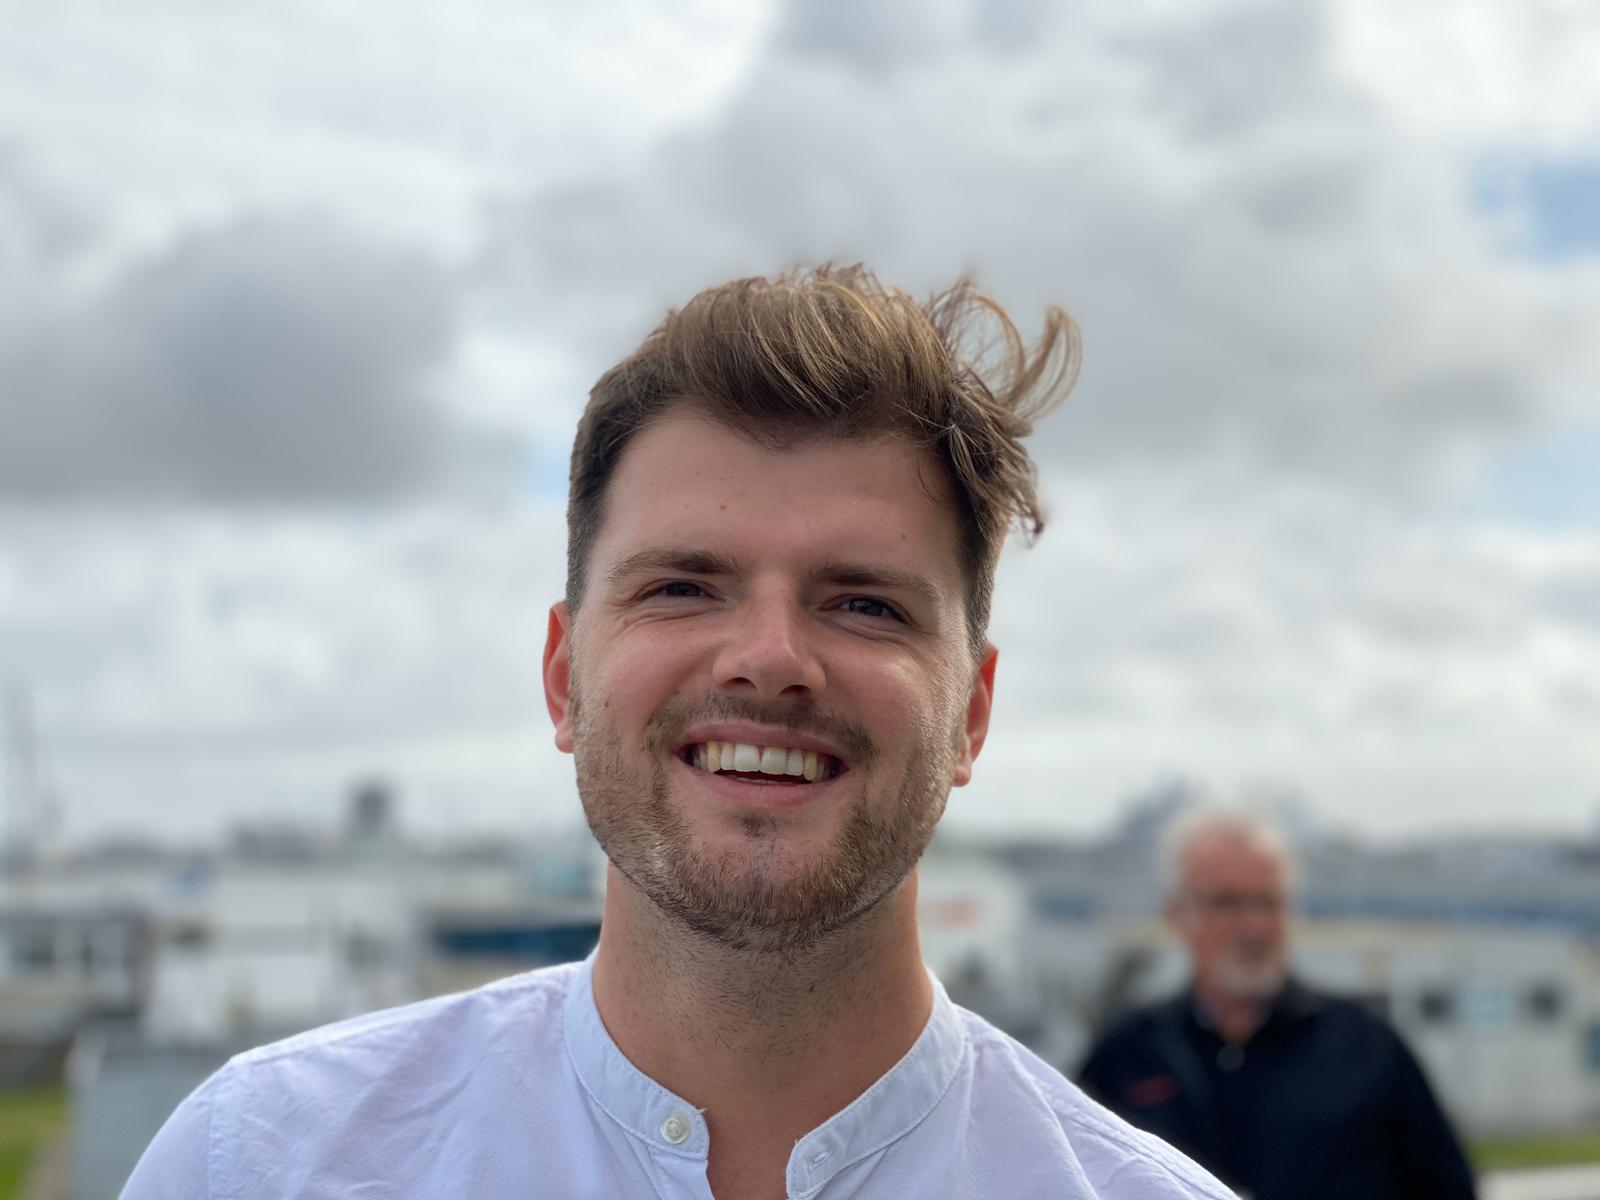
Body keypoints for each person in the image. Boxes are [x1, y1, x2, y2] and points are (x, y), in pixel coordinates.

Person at [123, 266, 1231, 1199]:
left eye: (864, 603)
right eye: (683, 587)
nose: (770, 656)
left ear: (971, 715)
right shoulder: (261, 1164)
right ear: (564, 676)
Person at [1078, 806, 1477, 1200]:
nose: (1254, 926)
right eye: (1227, 903)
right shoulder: (1124, 1059)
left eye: (1268, 902)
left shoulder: (1369, 1052)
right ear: (1177, 913)